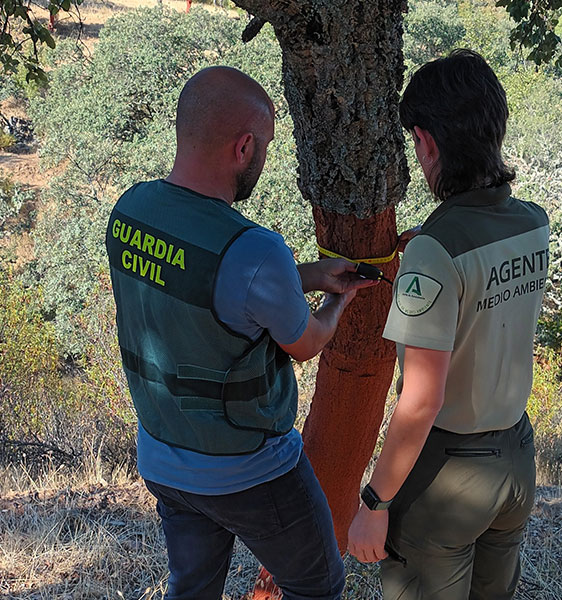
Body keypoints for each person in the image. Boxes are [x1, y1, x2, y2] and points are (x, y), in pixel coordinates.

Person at [106, 66, 374, 600]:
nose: (264, 158)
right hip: (250, 470)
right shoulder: (255, 248)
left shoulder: (131, 211)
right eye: (265, 146)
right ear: (244, 146)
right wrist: (336, 300)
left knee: (192, 590)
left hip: (163, 457)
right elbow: (306, 342)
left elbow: (204, 287)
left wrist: (306, 274)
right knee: (318, 586)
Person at [347, 49, 550, 600]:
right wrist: (431, 248)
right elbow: (488, 284)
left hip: (447, 479)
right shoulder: (534, 224)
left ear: (428, 142)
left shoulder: (434, 253)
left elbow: (422, 400)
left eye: (416, 144)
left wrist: (374, 504)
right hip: (515, 461)